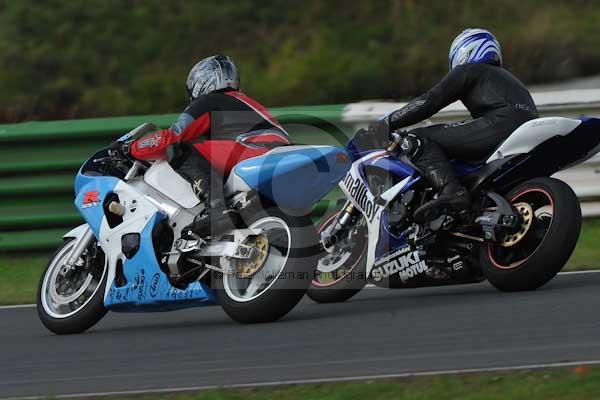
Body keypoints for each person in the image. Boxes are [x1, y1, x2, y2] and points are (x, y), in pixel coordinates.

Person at [369, 28, 538, 222]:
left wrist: (388, 122)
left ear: (464, 52)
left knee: (418, 138)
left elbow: (429, 101)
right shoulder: (511, 80)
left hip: (500, 125)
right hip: (521, 131)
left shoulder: (470, 70)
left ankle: (451, 192)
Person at [114, 55, 291, 239]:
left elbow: (172, 137)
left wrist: (130, 149)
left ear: (201, 82)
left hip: (253, 151)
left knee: (178, 148)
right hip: (277, 152)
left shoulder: (209, 101)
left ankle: (216, 208)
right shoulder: (245, 102)